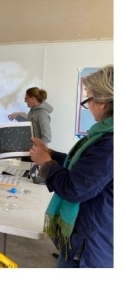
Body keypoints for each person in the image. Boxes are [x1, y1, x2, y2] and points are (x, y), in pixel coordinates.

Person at [30, 65, 113, 268]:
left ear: (102, 103)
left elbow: (75, 188)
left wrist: (46, 163)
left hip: (89, 245)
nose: (88, 106)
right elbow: (85, 168)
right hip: (92, 235)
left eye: (88, 100)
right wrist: (50, 154)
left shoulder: (109, 142)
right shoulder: (104, 136)